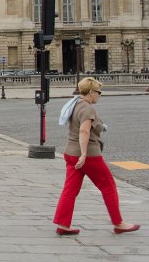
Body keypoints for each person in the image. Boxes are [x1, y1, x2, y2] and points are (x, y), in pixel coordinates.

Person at [53, 77, 140, 235]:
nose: (100, 95)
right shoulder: (87, 108)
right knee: (108, 186)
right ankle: (118, 223)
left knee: (70, 190)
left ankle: (63, 224)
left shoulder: (75, 104)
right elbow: (84, 131)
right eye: (99, 92)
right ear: (91, 92)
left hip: (70, 152)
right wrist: (84, 154)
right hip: (88, 155)